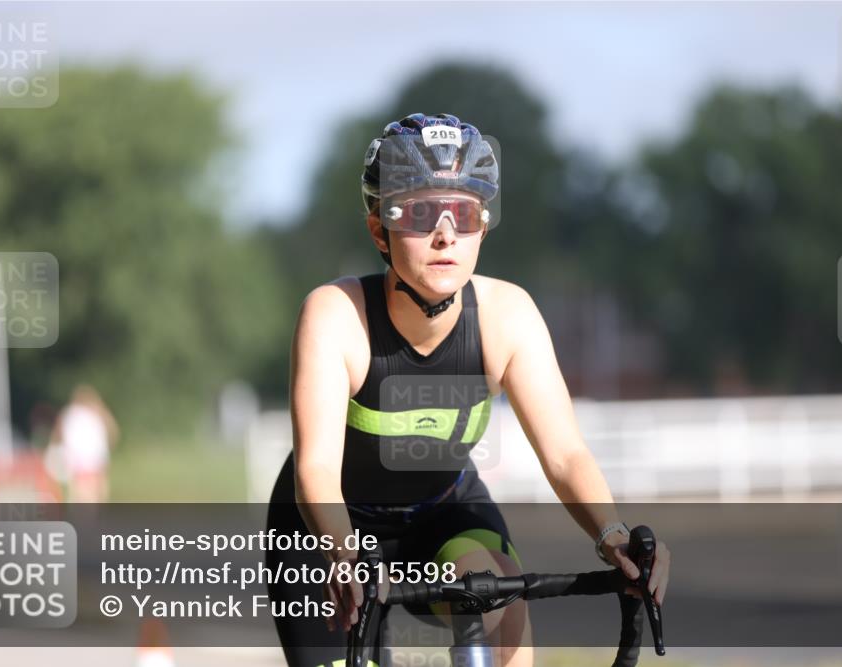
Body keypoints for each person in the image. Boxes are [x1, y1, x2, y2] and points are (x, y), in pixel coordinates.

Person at [266, 113, 670, 667]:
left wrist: (614, 534)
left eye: (464, 212)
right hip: (330, 525)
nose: (445, 233)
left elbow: (566, 453)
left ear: (483, 224)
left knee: (498, 592)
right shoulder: (336, 315)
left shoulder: (508, 316)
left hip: (443, 512)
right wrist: (340, 554)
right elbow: (315, 472)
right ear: (379, 229)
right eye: (421, 212)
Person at [51, 384, 119, 503]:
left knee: (83, 493)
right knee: (94, 493)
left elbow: (59, 435)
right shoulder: (96, 412)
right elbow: (113, 430)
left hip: (81, 460)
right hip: (93, 458)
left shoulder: (71, 413)